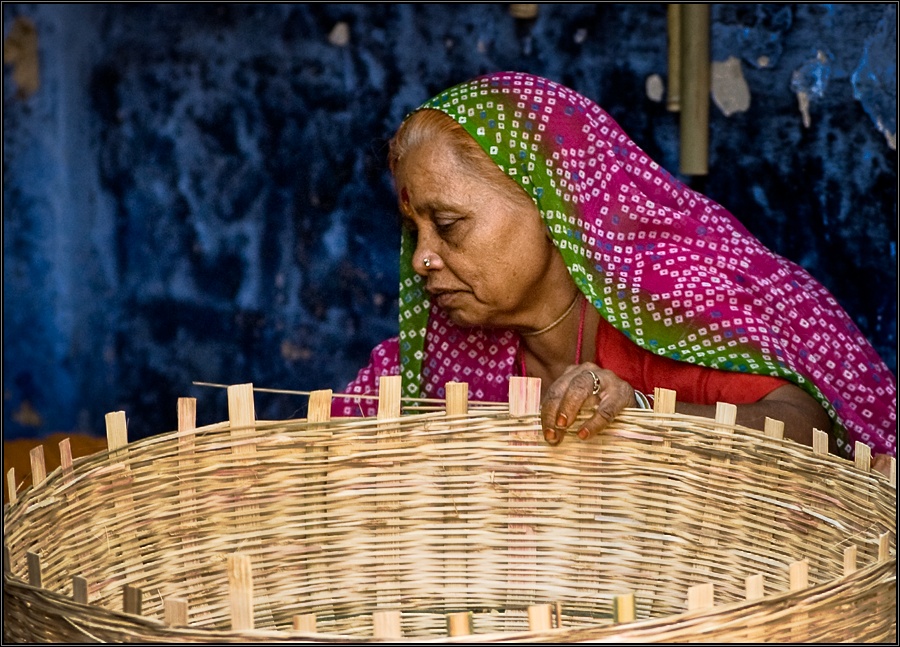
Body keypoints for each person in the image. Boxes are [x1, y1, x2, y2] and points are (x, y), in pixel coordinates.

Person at [333, 70, 896, 475]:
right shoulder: (429, 364)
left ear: (553, 204)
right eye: (415, 233)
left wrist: (644, 414)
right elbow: (326, 456)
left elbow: (813, 431)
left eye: (449, 224)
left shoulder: (671, 311)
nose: (421, 259)